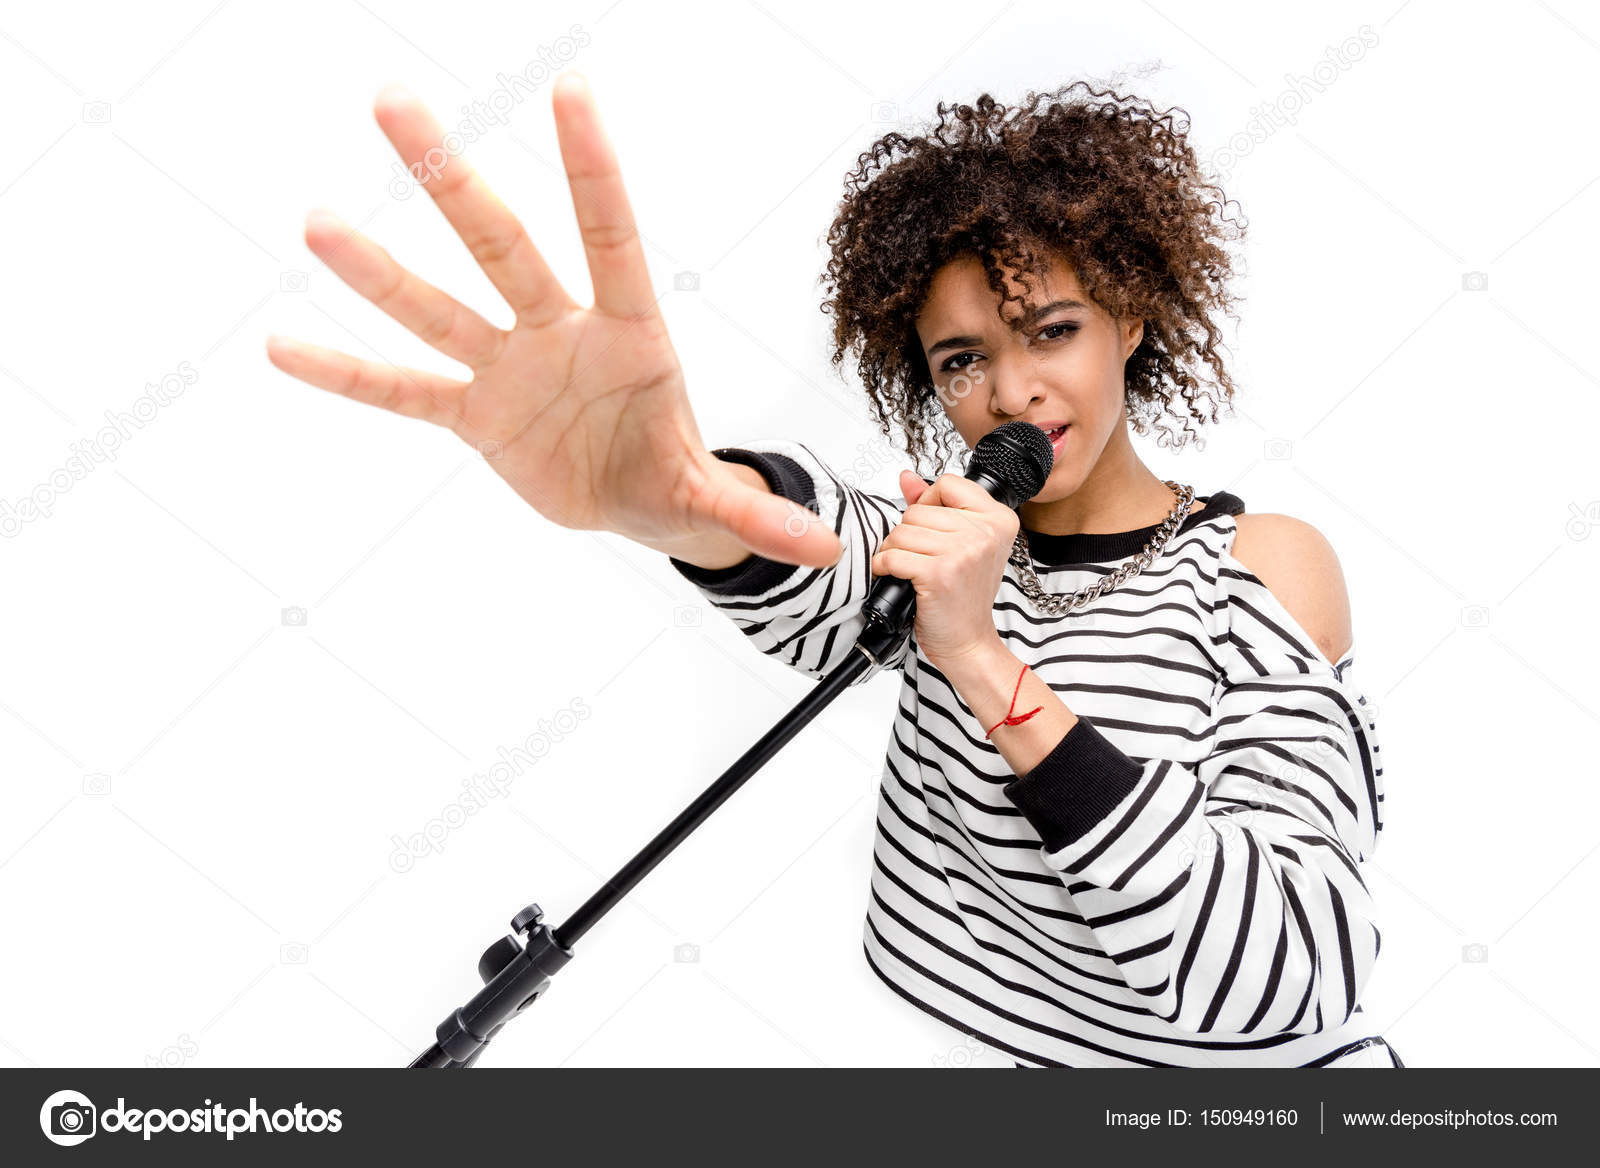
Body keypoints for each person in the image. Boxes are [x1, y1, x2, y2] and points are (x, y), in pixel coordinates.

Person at [266, 72, 1398, 1068]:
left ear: (1132, 321)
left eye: (1051, 330)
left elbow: (1284, 975)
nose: (1010, 395)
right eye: (963, 360)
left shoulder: (1252, 565)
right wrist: (665, 489)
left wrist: (978, 656)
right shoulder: (947, 551)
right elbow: (803, 544)